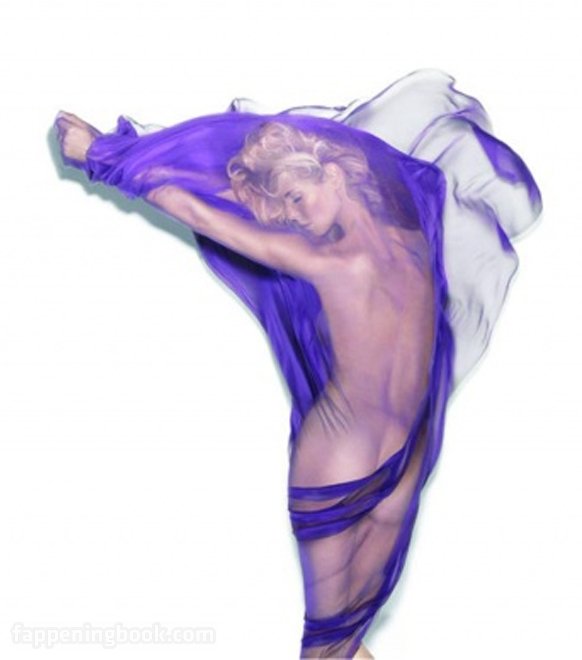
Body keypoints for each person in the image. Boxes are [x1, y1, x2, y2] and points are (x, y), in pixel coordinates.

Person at [53, 69, 543, 659]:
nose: (295, 216)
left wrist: (108, 155)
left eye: (295, 197)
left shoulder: (412, 228)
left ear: (333, 173)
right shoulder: (338, 258)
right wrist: (100, 155)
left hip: (405, 460)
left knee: (344, 644)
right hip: (340, 465)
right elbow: (203, 214)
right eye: (283, 207)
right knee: (325, 649)